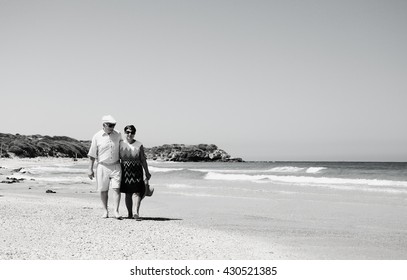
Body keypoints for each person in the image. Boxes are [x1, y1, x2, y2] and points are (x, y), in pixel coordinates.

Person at [87, 115, 122, 219]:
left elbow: (123, 149)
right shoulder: (97, 136)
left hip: (116, 165)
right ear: (104, 125)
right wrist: (90, 169)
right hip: (102, 166)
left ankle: (116, 211)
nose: (112, 127)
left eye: (114, 125)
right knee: (103, 190)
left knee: (116, 189)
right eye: (110, 125)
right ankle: (105, 211)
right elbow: (92, 154)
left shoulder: (118, 134)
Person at [119, 125, 151, 219]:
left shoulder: (139, 144)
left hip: (137, 170)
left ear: (134, 133)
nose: (130, 134)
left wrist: (147, 172)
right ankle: (129, 214)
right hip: (124, 170)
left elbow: (143, 160)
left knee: (137, 192)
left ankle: (136, 213)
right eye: (128, 132)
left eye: (132, 132)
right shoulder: (120, 143)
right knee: (128, 193)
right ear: (125, 133)